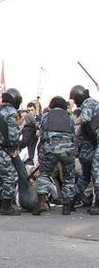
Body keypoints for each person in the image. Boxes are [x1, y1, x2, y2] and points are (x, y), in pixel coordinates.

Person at [33, 96, 76, 215]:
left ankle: (41, 202)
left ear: (51, 105)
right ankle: (67, 206)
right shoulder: (69, 118)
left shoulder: (46, 116)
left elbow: (39, 129)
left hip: (49, 148)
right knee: (68, 176)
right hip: (67, 149)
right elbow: (74, 134)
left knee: (45, 174)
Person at [70, 85, 98, 214]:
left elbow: (85, 118)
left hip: (93, 143)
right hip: (91, 143)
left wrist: (69, 124)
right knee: (86, 175)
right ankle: (71, 199)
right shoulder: (92, 104)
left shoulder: (89, 103)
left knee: (95, 173)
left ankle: (97, 204)